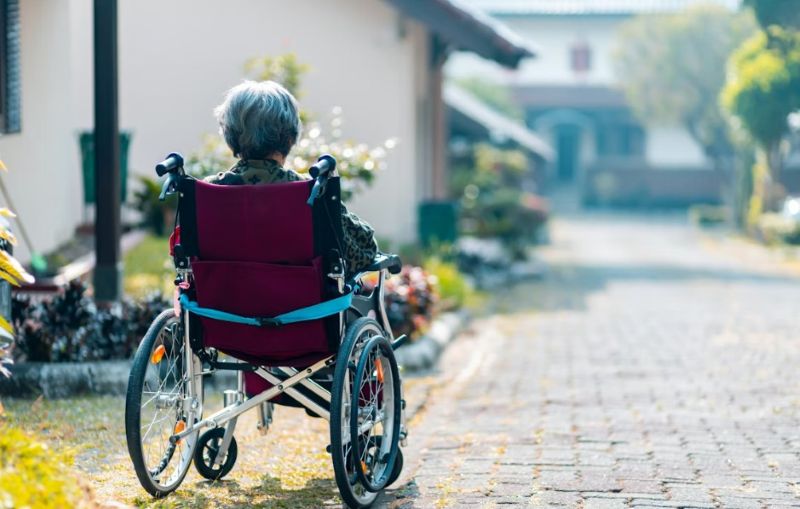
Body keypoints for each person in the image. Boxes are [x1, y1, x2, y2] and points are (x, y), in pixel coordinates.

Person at [206, 80, 378, 275]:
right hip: (300, 295)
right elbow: (365, 250)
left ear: (230, 135)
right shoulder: (312, 192)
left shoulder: (207, 194)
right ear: (289, 136)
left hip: (222, 294)